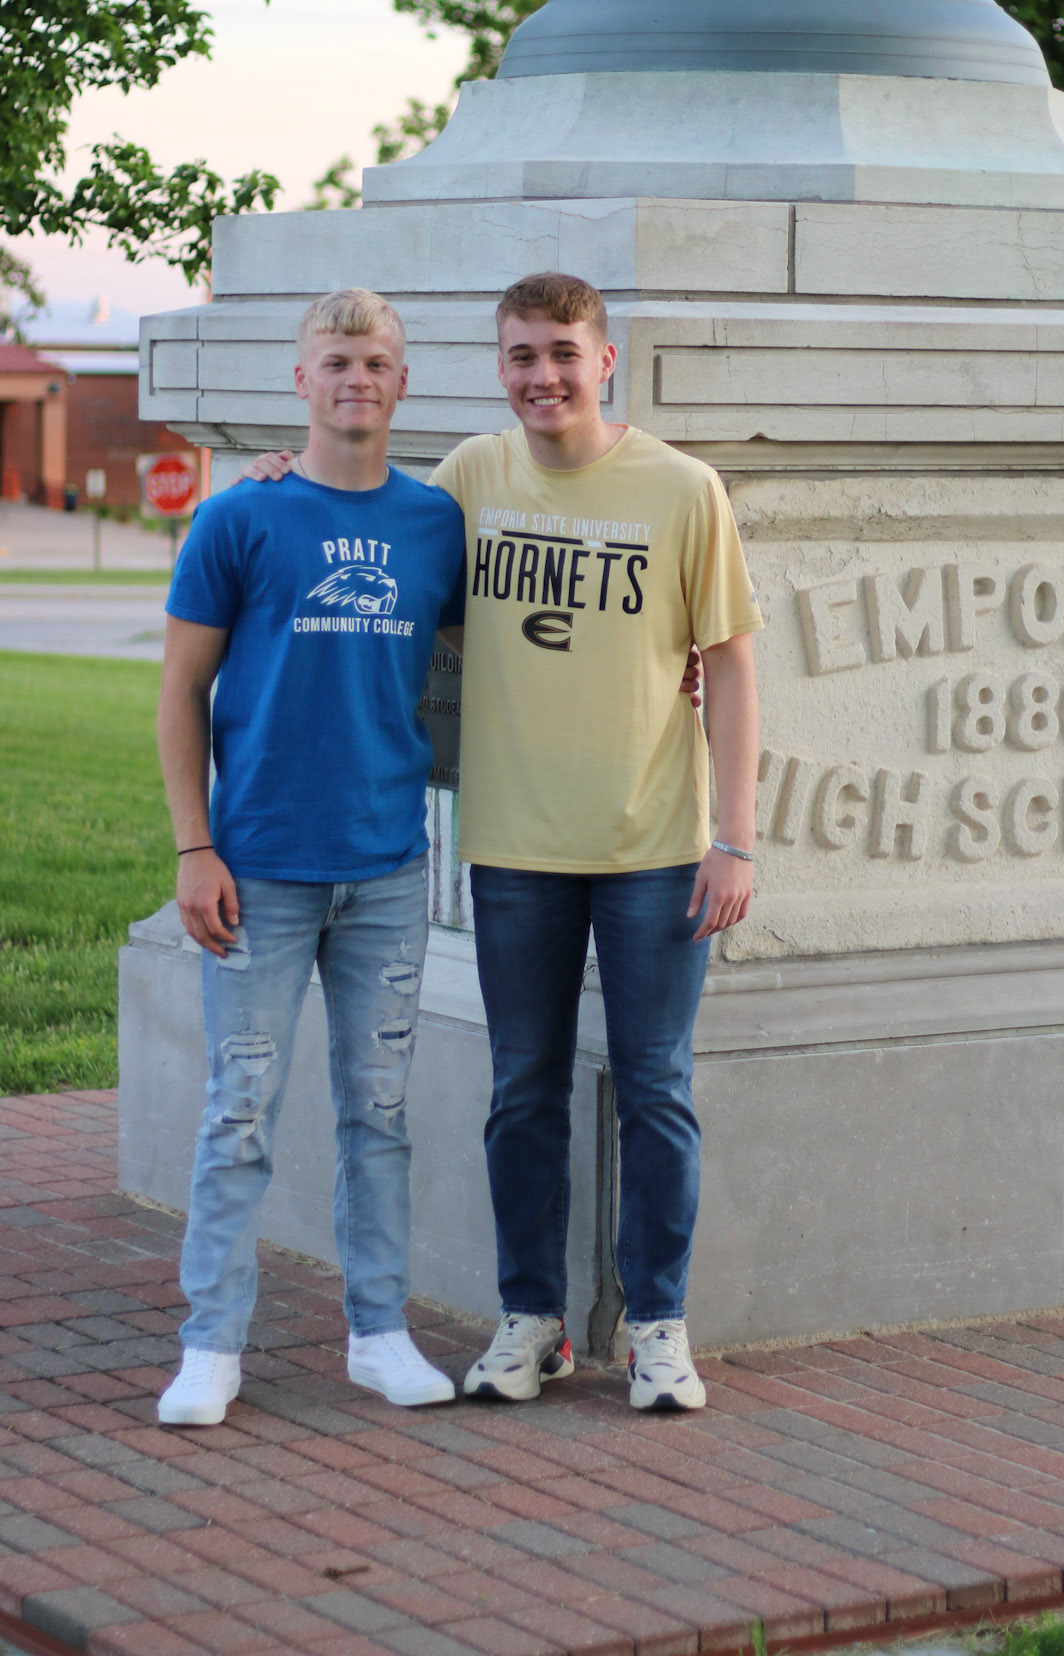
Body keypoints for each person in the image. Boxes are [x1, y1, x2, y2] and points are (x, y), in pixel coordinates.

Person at [437, 272, 761, 1412]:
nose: (544, 375)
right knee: (523, 1087)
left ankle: (659, 1323)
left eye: (564, 352)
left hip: (656, 848)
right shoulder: (474, 474)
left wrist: (737, 836)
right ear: (500, 367)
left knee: (656, 1087)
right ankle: (533, 1317)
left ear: (606, 359)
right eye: (522, 354)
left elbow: (726, 661)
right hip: (516, 845)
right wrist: (282, 477)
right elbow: (373, 533)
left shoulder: (682, 488)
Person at [154, 288, 466, 1428]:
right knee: (239, 1108)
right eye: (336, 359)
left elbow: (536, 647)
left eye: (377, 360)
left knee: (377, 1112)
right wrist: (196, 845)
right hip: (261, 869)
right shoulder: (241, 519)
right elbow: (181, 692)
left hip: (386, 869)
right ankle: (210, 1342)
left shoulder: (437, 524)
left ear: (399, 380)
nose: (357, 377)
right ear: (302, 380)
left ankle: (377, 1331)